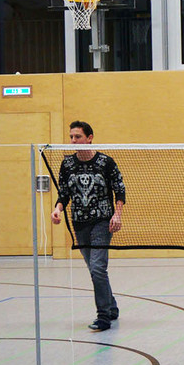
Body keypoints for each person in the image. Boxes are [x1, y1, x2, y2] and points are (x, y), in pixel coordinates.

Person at [51, 121, 126, 332]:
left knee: (97, 268)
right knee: (94, 269)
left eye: (78, 137)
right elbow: (64, 193)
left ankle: (103, 317)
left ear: (90, 138)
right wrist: (57, 209)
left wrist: (117, 215)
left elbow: (120, 190)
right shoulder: (67, 164)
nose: (73, 141)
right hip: (79, 222)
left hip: (103, 221)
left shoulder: (105, 162)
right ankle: (111, 306)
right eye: (71, 137)